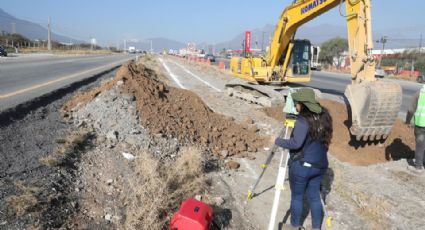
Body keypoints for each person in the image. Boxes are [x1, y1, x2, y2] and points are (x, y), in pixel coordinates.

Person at [274, 88, 333, 230]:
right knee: (314, 196)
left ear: (303, 104)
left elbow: (295, 143)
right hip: (320, 165)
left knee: (297, 197)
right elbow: (325, 141)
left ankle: (295, 226)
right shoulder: (325, 116)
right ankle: (316, 227)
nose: (295, 106)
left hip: (302, 166)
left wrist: (277, 140)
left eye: (297, 103)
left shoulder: (302, 121)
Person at [406, 84, 425, 173]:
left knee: (420, 145)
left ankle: (418, 166)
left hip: (421, 125)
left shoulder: (418, 94)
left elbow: (410, 110)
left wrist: (408, 121)